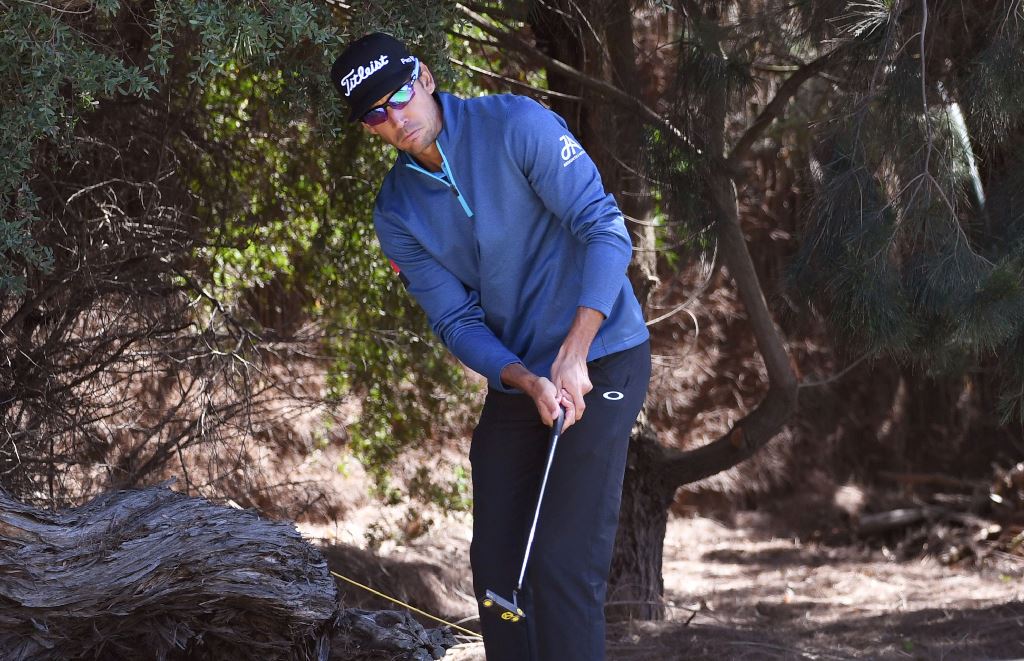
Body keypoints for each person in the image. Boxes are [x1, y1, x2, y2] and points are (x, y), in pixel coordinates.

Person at [330, 32, 651, 661]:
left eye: (398, 97)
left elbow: (606, 230)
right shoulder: (396, 212)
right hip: (521, 379)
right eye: (374, 114)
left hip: (603, 353)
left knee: (559, 561)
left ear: (422, 76)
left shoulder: (516, 125)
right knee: (499, 570)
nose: (395, 119)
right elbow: (455, 321)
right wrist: (525, 380)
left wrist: (576, 350)